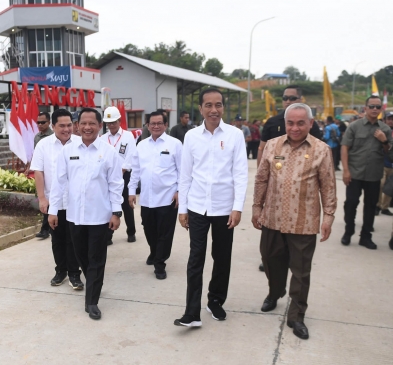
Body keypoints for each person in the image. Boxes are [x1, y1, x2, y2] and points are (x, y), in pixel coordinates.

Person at [252, 103, 337, 340]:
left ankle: (297, 316)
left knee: (300, 272)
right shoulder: (272, 145)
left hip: (304, 221)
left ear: (311, 123)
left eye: (301, 123)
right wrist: (256, 207)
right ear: (285, 123)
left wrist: (328, 217)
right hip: (272, 218)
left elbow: (328, 186)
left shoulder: (321, 150)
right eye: (291, 122)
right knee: (269, 259)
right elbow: (261, 180)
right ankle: (276, 290)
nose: (295, 127)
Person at [174, 88, 248, 327]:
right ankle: (191, 312)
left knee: (222, 257)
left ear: (223, 107)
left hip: (225, 208)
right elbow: (185, 175)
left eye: (218, 105)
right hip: (197, 207)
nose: (214, 110)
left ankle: (215, 300)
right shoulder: (192, 136)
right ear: (201, 108)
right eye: (209, 105)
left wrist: (237, 207)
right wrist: (182, 209)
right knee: (196, 258)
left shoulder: (235, 135)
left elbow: (240, 174)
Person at [48, 108, 124, 320]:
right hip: (75, 217)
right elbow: (58, 182)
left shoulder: (108, 152)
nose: (88, 127)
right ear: (77, 126)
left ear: (100, 126)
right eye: (83, 123)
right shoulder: (68, 151)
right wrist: (53, 210)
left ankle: (92, 301)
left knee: (96, 259)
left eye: (92, 123)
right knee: (83, 257)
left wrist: (116, 212)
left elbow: (116, 184)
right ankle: (93, 281)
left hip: (100, 217)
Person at [256, 84, 323, 272]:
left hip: (300, 187)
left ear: (300, 99)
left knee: (295, 230)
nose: (288, 101)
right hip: (275, 182)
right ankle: (272, 263)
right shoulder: (272, 122)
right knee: (272, 234)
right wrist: (263, 173)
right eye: (285, 98)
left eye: (292, 98)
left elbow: (318, 150)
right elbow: (262, 148)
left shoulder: (311, 124)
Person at [31, 109, 84, 290]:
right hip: (54, 202)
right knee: (57, 238)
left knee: (74, 239)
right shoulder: (43, 145)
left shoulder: (80, 143)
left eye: (69, 125)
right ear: (53, 126)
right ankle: (60, 270)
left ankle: (74, 274)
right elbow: (38, 171)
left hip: (76, 202)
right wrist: (42, 198)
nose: (66, 129)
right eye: (61, 125)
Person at [128, 111, 182, 279]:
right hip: (147, 198)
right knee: (149, 230)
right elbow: (135, 171)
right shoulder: (141, 145)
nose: (156, 126)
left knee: (165, 233)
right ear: (148, 125)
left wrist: (180, 191)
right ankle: (154, 252)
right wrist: (131, 192)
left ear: (166, 125)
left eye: (160, 123)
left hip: (167, 198)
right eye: (153, 123)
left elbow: (183, 171)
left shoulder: (175, 144)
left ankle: (160, 263)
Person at [341, 96, 393, 249]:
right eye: (372, 106)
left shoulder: (385, 129)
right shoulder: (354, 126)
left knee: (370, 206)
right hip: (355, 173)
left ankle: (365, 236)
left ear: (381, 109)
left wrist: (384, 141)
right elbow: (345, 148)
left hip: (373, 174)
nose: (375, 109)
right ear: (365, 108)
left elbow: (390, 154)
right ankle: (348, 231)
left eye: (378, 107)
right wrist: (345, 171)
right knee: (350, 203)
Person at [101, 106, 138, 245]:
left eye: (114, 122)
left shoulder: (128, 136)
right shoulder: (103, 138)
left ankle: (131, 232)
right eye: (109, 123)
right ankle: (108, 235)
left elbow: (131, 155)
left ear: (119, 121)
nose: (111, 125)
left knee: (126, 206)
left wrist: (121, 171)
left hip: (124, 175)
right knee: (109, 205)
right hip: (107, 177)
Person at [33, 111, 54, 239]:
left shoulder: (53, 136)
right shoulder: (37, 137)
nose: (40, 125)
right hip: (42, 174)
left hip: (52, 173)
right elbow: (36, 156)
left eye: (43, 122)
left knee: (51, 201)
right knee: (45, 200)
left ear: (49, 123)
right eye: (38, 122)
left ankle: (46, 229)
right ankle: (46, 229)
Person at [377, 112, 393, 216]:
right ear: (385, 120)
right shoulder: (381, 131)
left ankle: (385, 207)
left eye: (392, 119)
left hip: (391, 164)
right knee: (381, 184)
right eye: (389, 119)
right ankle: (378, 205)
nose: (391, 121)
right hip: (382, 163)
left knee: (390, 188)